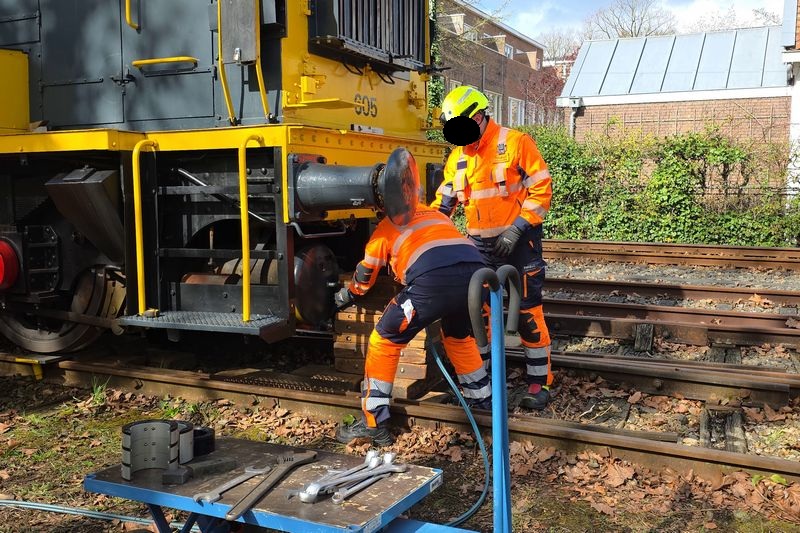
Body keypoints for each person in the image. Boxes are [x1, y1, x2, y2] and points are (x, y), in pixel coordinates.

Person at [335, 148, 492, 446]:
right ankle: (482, 405)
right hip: (475, 275)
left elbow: (365, 276)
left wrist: (346, 295)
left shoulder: (384, 229)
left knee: (385, 339)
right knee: (458, 338)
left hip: (434, 282)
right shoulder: (432, 212)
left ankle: (374, 422)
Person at [432, 86, 554, 410]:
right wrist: (429, 228)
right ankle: (483, 383)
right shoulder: (459, 156)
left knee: (527, 313)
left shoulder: (515, 143)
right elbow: (445, 200)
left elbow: (541, 190)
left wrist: (517, 228)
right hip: (479, 249)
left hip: (520, 243)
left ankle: (539, 384)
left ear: (478, 115)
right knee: (478, 315)